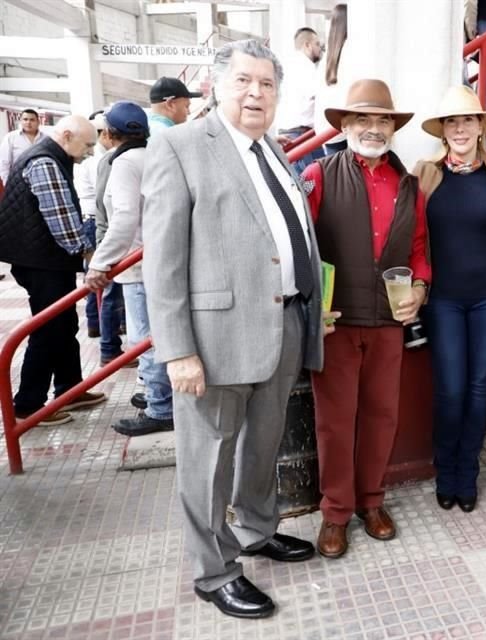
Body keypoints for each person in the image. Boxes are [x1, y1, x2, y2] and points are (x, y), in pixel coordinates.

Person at [141, 40, 327, 619]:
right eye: (244, 80)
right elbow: (163, 259)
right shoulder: (179, 146)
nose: (256, 93)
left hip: (283, 323)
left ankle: (256, 528)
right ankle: (214, 569)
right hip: (215, 339)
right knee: (209, 457)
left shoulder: (271, 148)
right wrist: (177, 351)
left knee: (262, 444)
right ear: (215, 86)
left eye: (267, 84)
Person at [302, 79, 429, 558]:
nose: (373, 129)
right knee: (334, 422)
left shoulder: (409, 185)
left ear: (392, 129)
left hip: (388, 322)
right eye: (363, 120)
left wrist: (418, 288)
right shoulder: (319, 174)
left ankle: (371, 501)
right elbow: (302, 247)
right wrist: (312, 309)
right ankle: (335, 512)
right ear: (346, 125)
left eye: (382, 121)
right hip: (336, 322)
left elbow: (418, 248)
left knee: (381, 416)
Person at [414, 85, 486, 511]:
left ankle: (468, 472)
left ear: (480, 128)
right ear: (443, 131)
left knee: (479, 388)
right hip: (444, 299)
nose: (460, 128)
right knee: (451, 388)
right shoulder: (424, 174)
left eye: (468, 121)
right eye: (452, 122)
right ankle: (447, 469)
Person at [0, 115, 106, 426]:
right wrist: (89, 254)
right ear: (67, 135)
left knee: (63, 321)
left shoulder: (49, 155)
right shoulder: (46, 161)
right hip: (40, 260)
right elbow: (62, 220)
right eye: (86, 144)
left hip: (39, 257)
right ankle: (28, 405)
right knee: (49, 327)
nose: (88, 151)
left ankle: (70, 388)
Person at [85, 102, 175, 438]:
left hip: (138, 263)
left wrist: (99, 262)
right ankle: (160, 396)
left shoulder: (123, 163)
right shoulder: (154, 155)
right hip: (158, 256)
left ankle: (160, 408)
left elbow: (124, 218)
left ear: (109, 133)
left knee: (144, 339)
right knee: (157, 334)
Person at [75, 111, 124, 353]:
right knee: (108, 286)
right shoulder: (101, 162)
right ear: (105, 134)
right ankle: (109, 346)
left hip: (91, 221)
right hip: (98, 222)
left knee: (100, 285)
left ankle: (96, 327)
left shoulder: (92, 161)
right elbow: (109, 199)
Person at [276, 26, 326, 172]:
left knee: (299, 181)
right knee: (311, 182)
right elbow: (316, 95)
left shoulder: (285, 65)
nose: (320, 49)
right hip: (300, 133)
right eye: (317, 44)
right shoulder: (306, 66)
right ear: (307, 45)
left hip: (287, 131)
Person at [311, 4, 351, 155]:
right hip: (341, 129)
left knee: (337, 174)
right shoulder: (351, 51)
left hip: (327, 129)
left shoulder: (326, 58)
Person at [0, 109, 47, 184]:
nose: (28, 122)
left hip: (41, 180)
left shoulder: (46, 139)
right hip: (18, 181)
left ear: (38, 122)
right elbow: (4, 163)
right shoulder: (11, 137)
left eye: (32, 120)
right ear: (21, 121)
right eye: (25, 119)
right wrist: (7, 183)